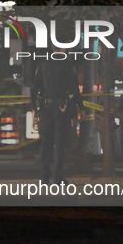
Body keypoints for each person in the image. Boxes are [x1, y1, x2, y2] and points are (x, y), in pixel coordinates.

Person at [30, 55, 85, 185]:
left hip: (46, 108)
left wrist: (34, 108)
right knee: (60, 144)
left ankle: (44, 177)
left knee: (46, 143)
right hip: (62, 108)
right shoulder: (68, 66)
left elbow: (34, 88)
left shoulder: (43, 65)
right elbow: (74, 89)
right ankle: (57, 177)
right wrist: (81, 108)